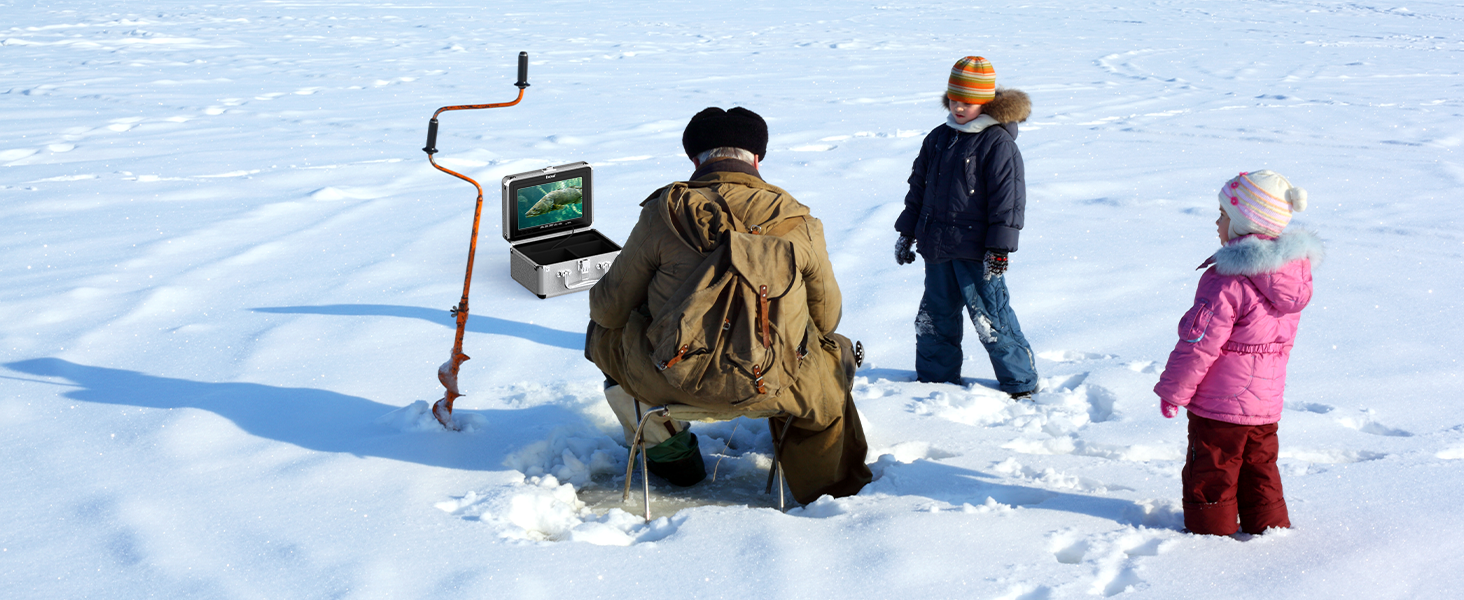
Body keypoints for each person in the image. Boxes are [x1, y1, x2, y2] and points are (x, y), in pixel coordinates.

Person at [585, 106, 872, 504]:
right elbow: (826, 319)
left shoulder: (662, 215)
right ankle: (823, 486)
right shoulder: (799, 222)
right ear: (757, 158)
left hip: (666, 377)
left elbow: (607, 311)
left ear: (694, 159)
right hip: (776, 382)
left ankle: (673, 459)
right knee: (830, 351)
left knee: (603, 335)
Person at [1154, 170, 1323, 536]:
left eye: (1223, 215)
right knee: (1260, 469)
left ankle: (1208, 541)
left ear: (1244, 223)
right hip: (1264, 406)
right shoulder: (1292, 276)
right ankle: (1270, 530)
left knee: (1212, 471)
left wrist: (1174, 390)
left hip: (1219, 407)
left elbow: (1200, 343)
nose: (1217, 222)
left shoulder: (1227, 279)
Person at [893, 56, 1039, 399]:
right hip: (937, 248)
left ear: (986, 103)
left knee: (992, 319)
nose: (959, 107)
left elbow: (1009, 200)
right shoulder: (938, 139)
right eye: (954, 100)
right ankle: (935, 382)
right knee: (934, 318)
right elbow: (918, 189)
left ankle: (1020, 383)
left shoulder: (997, 144)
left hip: (978, 253)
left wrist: (1000, 248)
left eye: (969, 102)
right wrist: (907, 231)